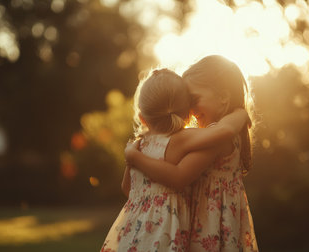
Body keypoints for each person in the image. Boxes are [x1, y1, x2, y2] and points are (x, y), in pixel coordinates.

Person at [100, 68, 249, 251]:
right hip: (163, 233)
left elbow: (127, 189)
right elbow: (221, 132)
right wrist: (240, 114)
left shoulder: (140, 145)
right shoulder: (183, 139)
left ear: (142, 118)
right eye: (190, 102)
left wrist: (133, 157)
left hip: (131, 232)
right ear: (185, 115)